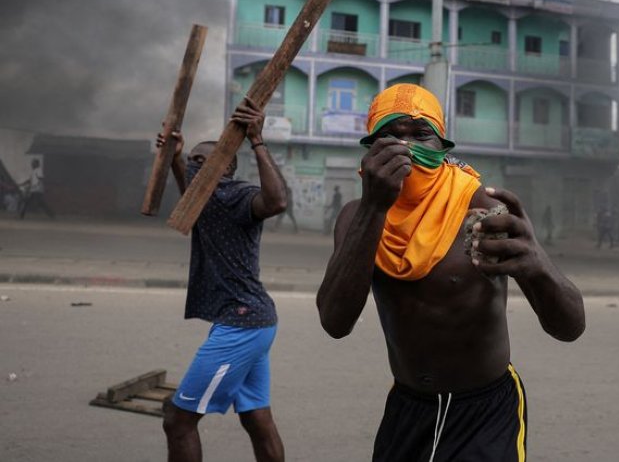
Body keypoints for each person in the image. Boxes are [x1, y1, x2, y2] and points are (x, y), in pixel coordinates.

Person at [316, 84, 585, 462]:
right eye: (390, 136)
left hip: (484, 414)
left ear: (442, 144)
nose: (405, 146)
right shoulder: (357, 217)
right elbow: (335, 322)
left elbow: (570, 327)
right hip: (408, 409)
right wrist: (375, 207)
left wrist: (537, 264)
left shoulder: (482, 209)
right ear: (371, 147)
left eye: (420, 134)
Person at [158, 98, 288, 462]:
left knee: (178, 420)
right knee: (257, 418)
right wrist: (175, 157)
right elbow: (191, 195)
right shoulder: (205, 202)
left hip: (242, 324)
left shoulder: (235, 195)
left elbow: (276, 202)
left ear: (224, 168)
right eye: (191, 161)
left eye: (201, 161)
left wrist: (257, 140)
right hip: (250, 322)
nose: (193, 165)